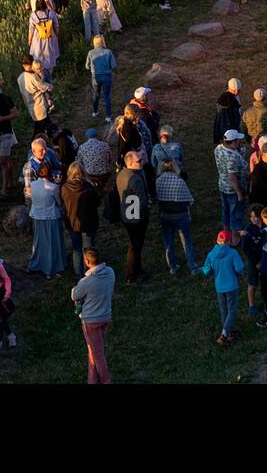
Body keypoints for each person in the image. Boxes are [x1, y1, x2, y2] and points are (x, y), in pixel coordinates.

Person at [72, 247, 115, 384]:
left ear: (87, 261)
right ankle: (92, 380)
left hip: (90, 321)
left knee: (97, 353)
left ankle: (106, 380)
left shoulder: (86, 282)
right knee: (94, 350)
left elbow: (75, 295)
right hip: (106, 316)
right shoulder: (110, 272)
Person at [201, 230, 246, 347]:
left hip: (219, 287)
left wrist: (211, 270)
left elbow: (205, 270)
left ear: (217, 240)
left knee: (224, 310)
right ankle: (224, 334)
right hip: (232, 286)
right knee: (232, 310)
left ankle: (229, 332)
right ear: (229, 241)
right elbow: (240, 268)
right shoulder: (232, 253)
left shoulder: (211, 254)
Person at [156, 158, 200, 275]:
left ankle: (172, 266)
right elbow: (189, 200)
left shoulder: (158, 181)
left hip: (165, 214)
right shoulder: (180, 181)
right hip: (181, 214)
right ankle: (192, 266)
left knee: (168, 241)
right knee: (186, 240)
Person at [116, 149, 150, 284]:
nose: (141, 162)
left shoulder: (121, 175)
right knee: (135, 246)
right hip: (136, 217)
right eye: (138, 161)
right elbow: (141, 201)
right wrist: (144, 212)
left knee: (134, 245)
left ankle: (136, 270)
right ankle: (132, 273)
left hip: (127, 214)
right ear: (130, 163)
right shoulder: (135, 179)